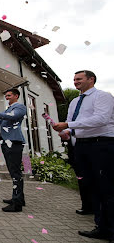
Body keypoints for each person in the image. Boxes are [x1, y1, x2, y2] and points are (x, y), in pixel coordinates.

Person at [53, 70, 114, 243]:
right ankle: (101, 227)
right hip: (81, 146)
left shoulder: (103, 96)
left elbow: (101, 119)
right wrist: (65, 132)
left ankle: (111, 229)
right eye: (74, 79)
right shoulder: (74, 102)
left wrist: (69, 125)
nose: (75, 82)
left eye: (79, 79)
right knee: (91, 187)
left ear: (91, 79)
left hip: (101, 145)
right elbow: (71, 123)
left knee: (107, 187)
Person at [0, 88, 27, 212]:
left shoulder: (20, 107)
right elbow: (0, 123)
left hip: (14, 142)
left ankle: (17, 204)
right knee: (13, 172)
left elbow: (11, 117)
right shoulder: (8, 109)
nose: (6, 97)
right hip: (6, 143)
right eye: (6, 95)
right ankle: (19, 199)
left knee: (15, 172)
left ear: (16, 96)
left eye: (9, 95)